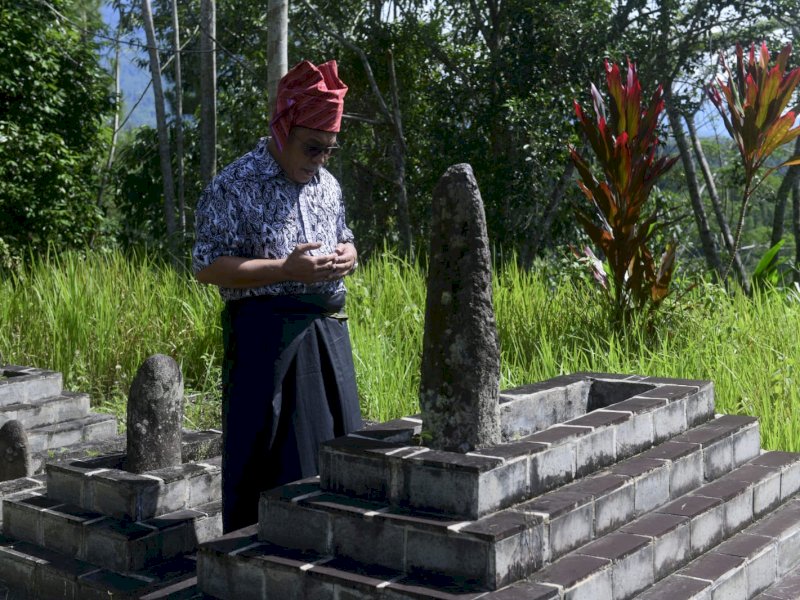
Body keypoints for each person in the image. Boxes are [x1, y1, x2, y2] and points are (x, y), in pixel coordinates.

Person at [192, 59, 362, 532]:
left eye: (328, 150)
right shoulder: (234, 185)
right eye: (312, 148)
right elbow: (207, 265)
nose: (319, 161)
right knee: (273, 462)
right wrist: (285, 269)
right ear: (283, 127)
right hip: (266, 341)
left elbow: (344, 233)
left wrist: (348, 253)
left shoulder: (327, 186)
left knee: (339, 457)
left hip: (327, 336)